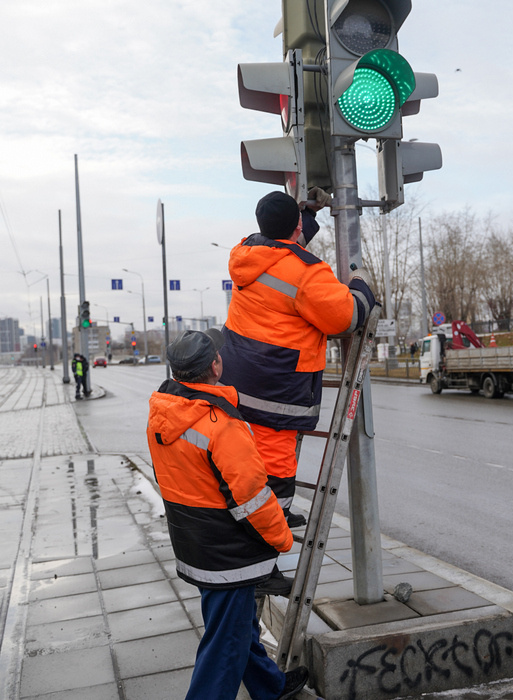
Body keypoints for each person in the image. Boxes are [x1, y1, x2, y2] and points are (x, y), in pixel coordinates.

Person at [147, 329, 310, 700]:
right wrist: (281, 539)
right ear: (216, 366)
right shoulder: (222, 426)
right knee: (224, 646)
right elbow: (252, 498)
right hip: (229, 555)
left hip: (196, 545)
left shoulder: (163, 414)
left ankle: (270, 686)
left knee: (235, 627)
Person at [221, 190, 377, 528]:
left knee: (246, 459)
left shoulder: (246, 252)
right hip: (277, 384)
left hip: (237, 376)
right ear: (294, 227)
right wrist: (362, 284)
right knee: (276, 465)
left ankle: (257, 521)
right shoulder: (307, 272)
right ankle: (271, 532)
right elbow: (346, 317)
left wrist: (305, 214)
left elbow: (283, 247)